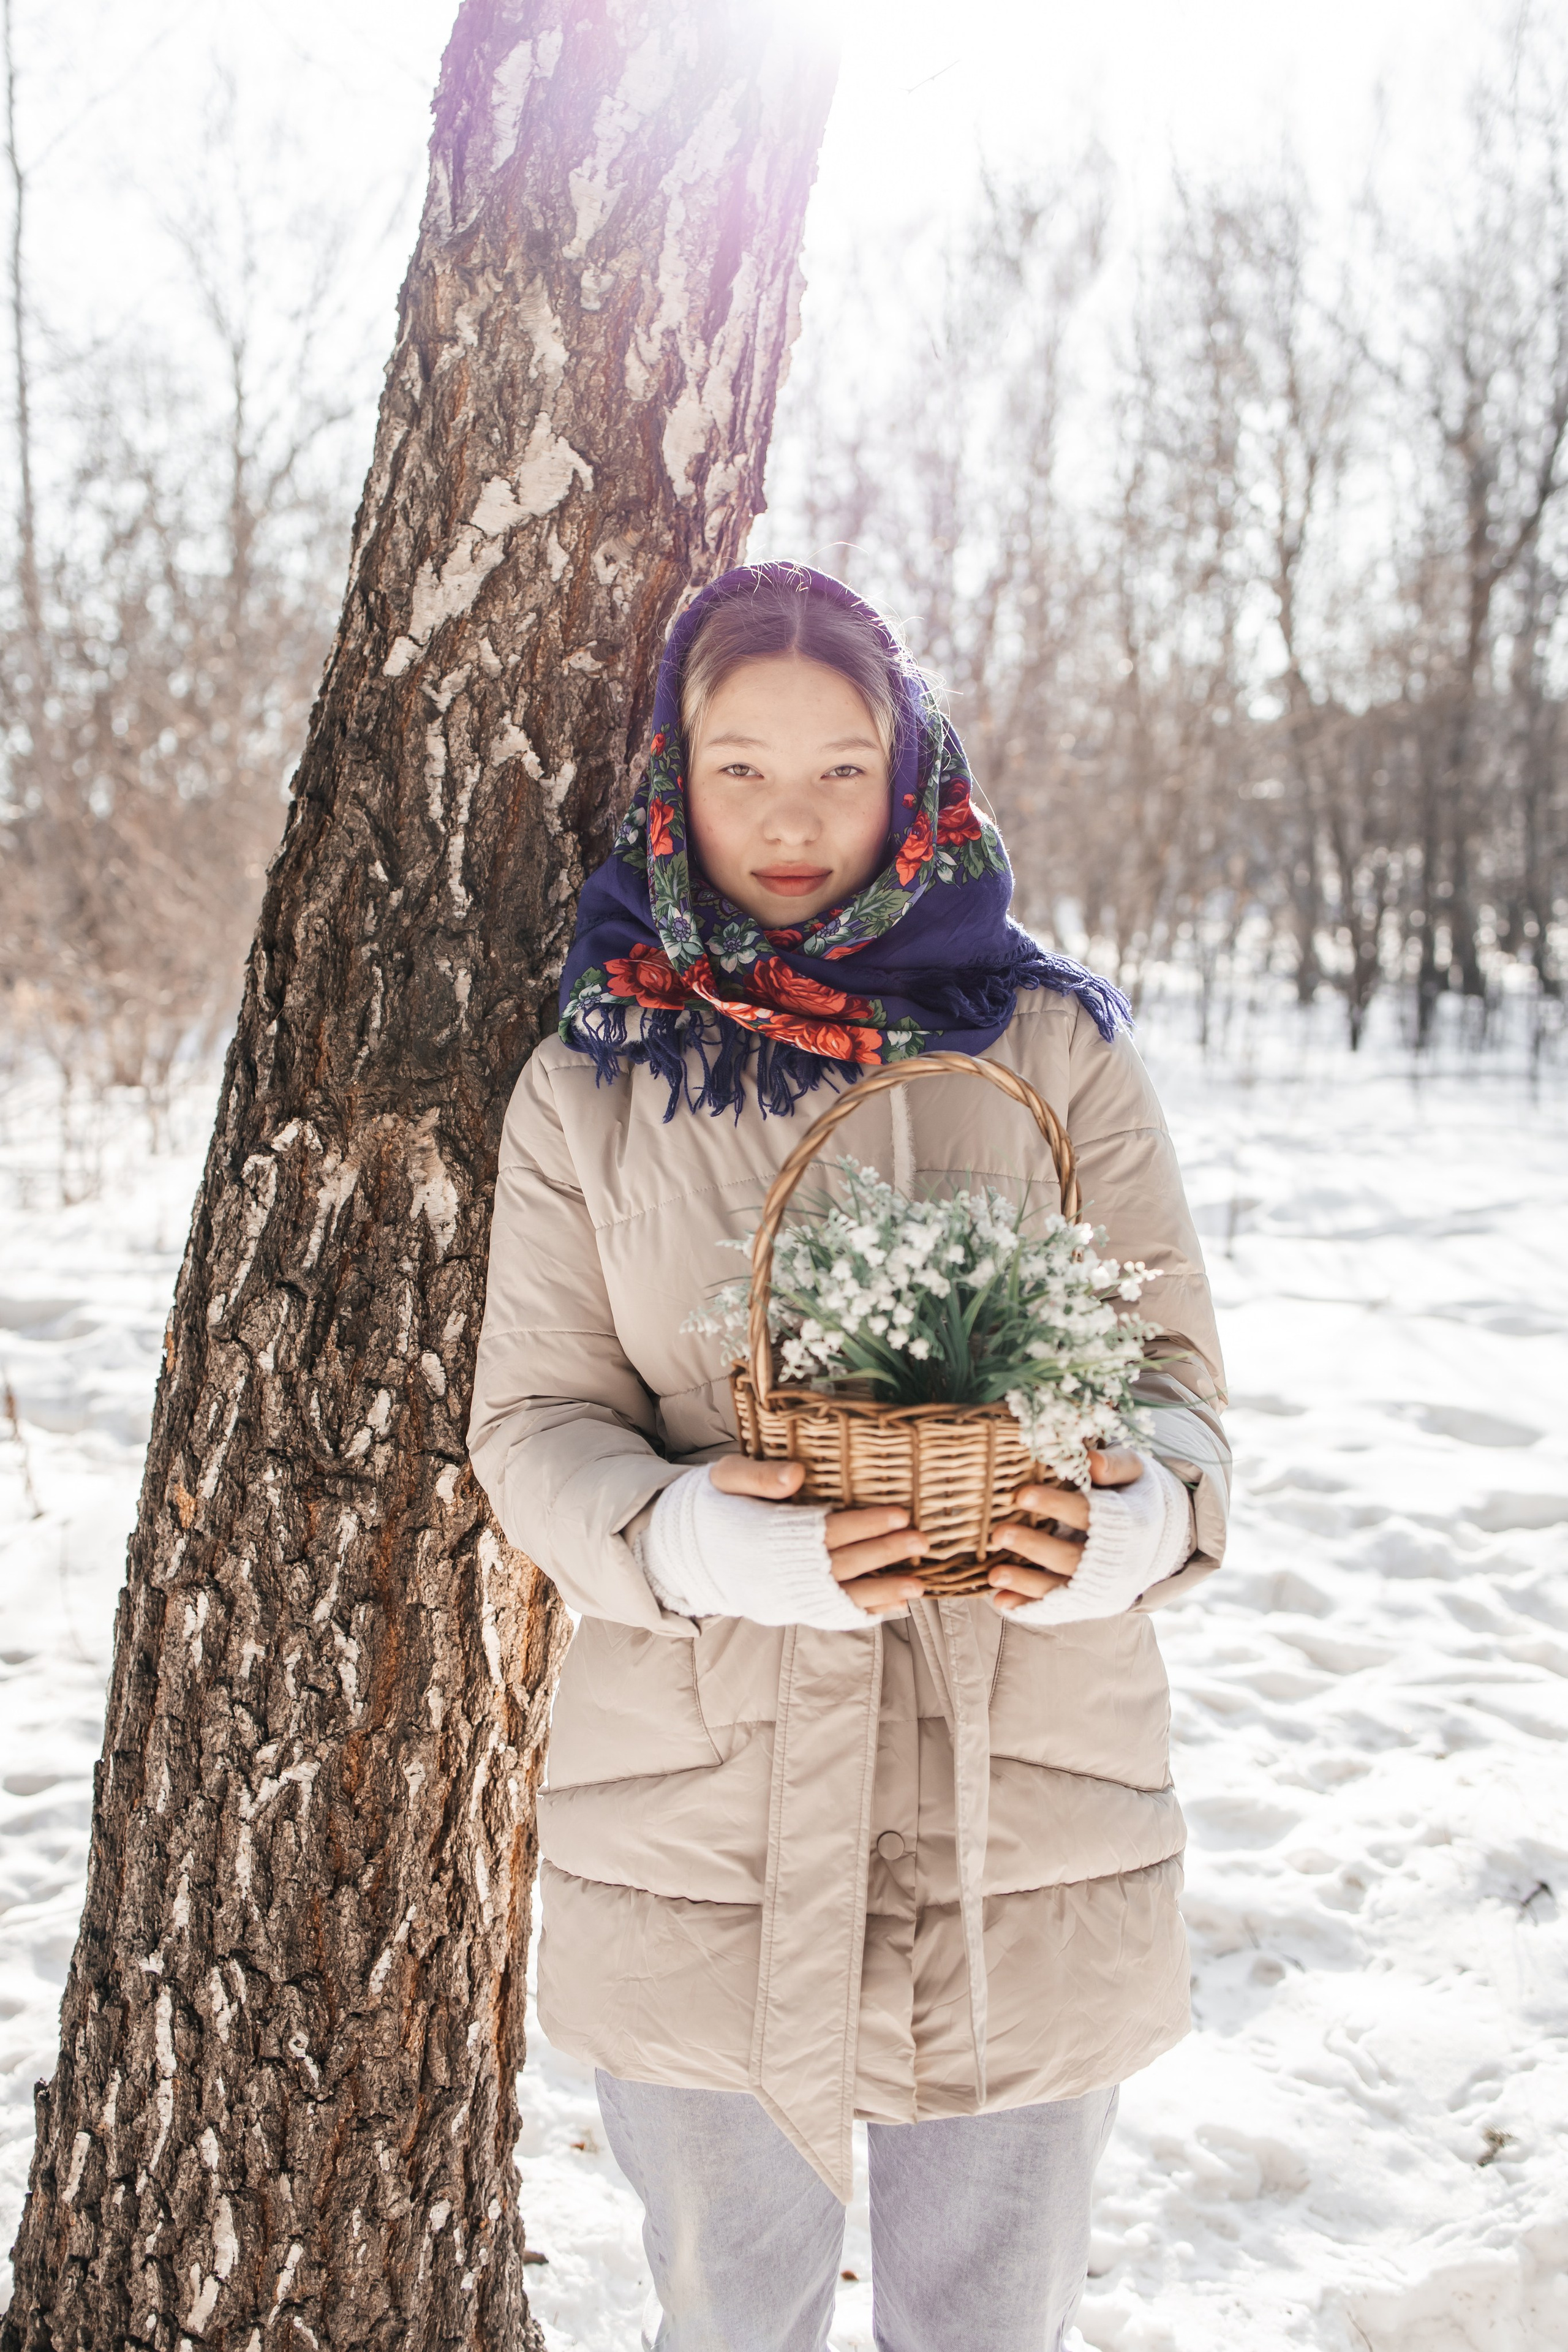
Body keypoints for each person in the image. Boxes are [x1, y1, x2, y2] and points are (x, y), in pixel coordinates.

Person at [469, 562, 1229, 2352]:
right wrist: (691, 1544)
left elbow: (1180, 1387)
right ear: (675, 775)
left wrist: (1128, 1525)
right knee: (730, 2315)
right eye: (742, 770)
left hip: (1021, 1800)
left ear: (913, 777)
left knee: (989, 2321)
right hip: (706, 1804)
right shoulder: (595, 1081)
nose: (791, 821)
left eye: (838, 771)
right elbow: (533, 1425)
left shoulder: (1051, 1045)